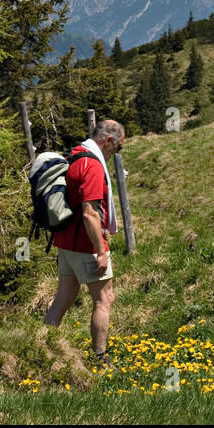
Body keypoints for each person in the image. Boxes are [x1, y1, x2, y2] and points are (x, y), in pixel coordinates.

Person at [43, 118, 125, 359]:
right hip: (85, 244)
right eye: (118, 147)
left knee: (64, 298)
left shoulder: (76, 155)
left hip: (65, 240)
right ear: (109, 141)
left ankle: (42, 348)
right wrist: (100, 252)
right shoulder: (93, 165)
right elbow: (90, 214)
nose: (116, 153)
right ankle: (101, 357)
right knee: (104, 298)